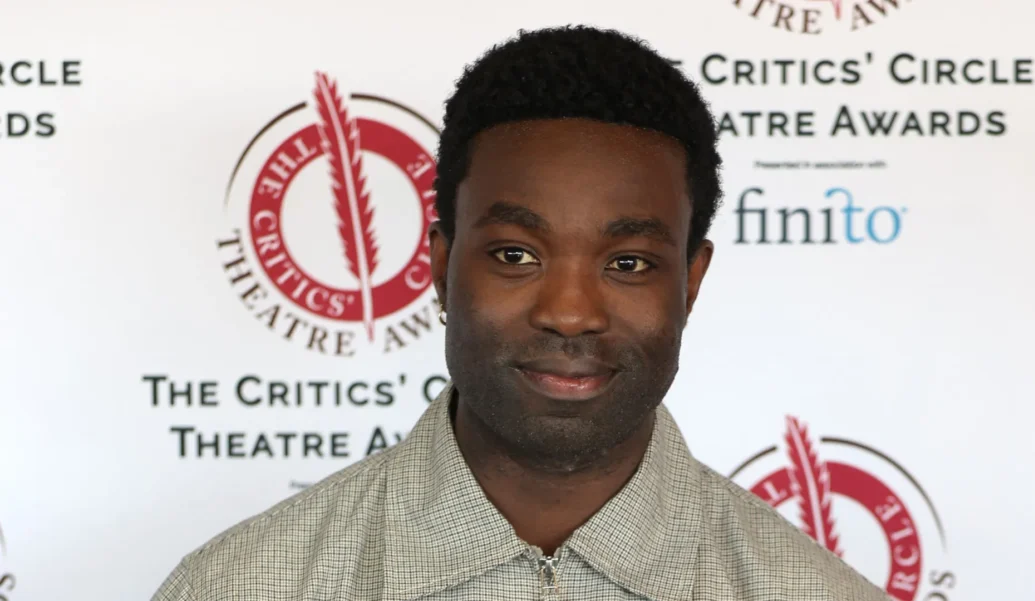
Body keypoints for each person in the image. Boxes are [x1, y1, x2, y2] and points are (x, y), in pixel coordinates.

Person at [152, 25, 889, 601]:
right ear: (441, 267)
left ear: (690, 283)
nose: (569, 313)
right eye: (515, 254)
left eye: (628, 263)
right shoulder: (240, 585)